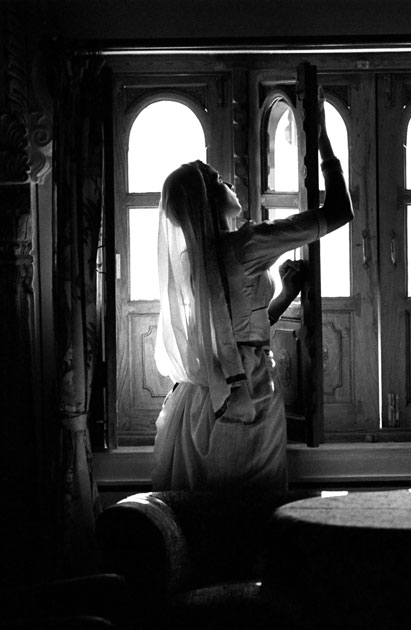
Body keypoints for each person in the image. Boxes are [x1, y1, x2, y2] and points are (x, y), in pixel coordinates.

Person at [152, 90, 353, 491]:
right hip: (246, 392)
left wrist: (284, 296)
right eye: (217, 180)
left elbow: (232, 329)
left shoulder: (195, 259)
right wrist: (324, 142)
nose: (228, 182)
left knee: (208, 522)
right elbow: (339, 212)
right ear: (209, 200)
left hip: (199, 402)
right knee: (251, 513)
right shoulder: (246, 245)